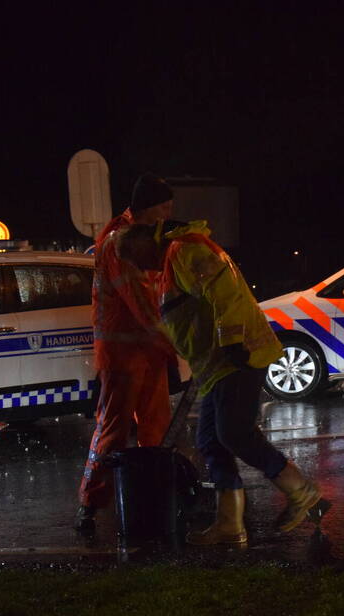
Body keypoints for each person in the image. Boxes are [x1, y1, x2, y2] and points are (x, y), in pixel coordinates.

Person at [118, 220, 329, 544]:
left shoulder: (185, 251)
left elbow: (225, 293)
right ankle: (230, 525)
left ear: (147, 241)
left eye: (134, 255)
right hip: (216, 366)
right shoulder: (170, 265)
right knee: (212, 442)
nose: (137, 265)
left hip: (236, 357)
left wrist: (232, 342)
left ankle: (301, 492)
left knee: (233, 433)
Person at [74, 174, 178, 534]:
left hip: (145, 350)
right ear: (149, 207)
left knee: (156, 426)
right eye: (164, 207)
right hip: (122, 354)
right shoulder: (120, 244)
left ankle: (152, 493)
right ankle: (91, 500)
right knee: (113, 428)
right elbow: (141, 303)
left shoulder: (140, 238)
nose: (168, 214)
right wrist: (174, 342)